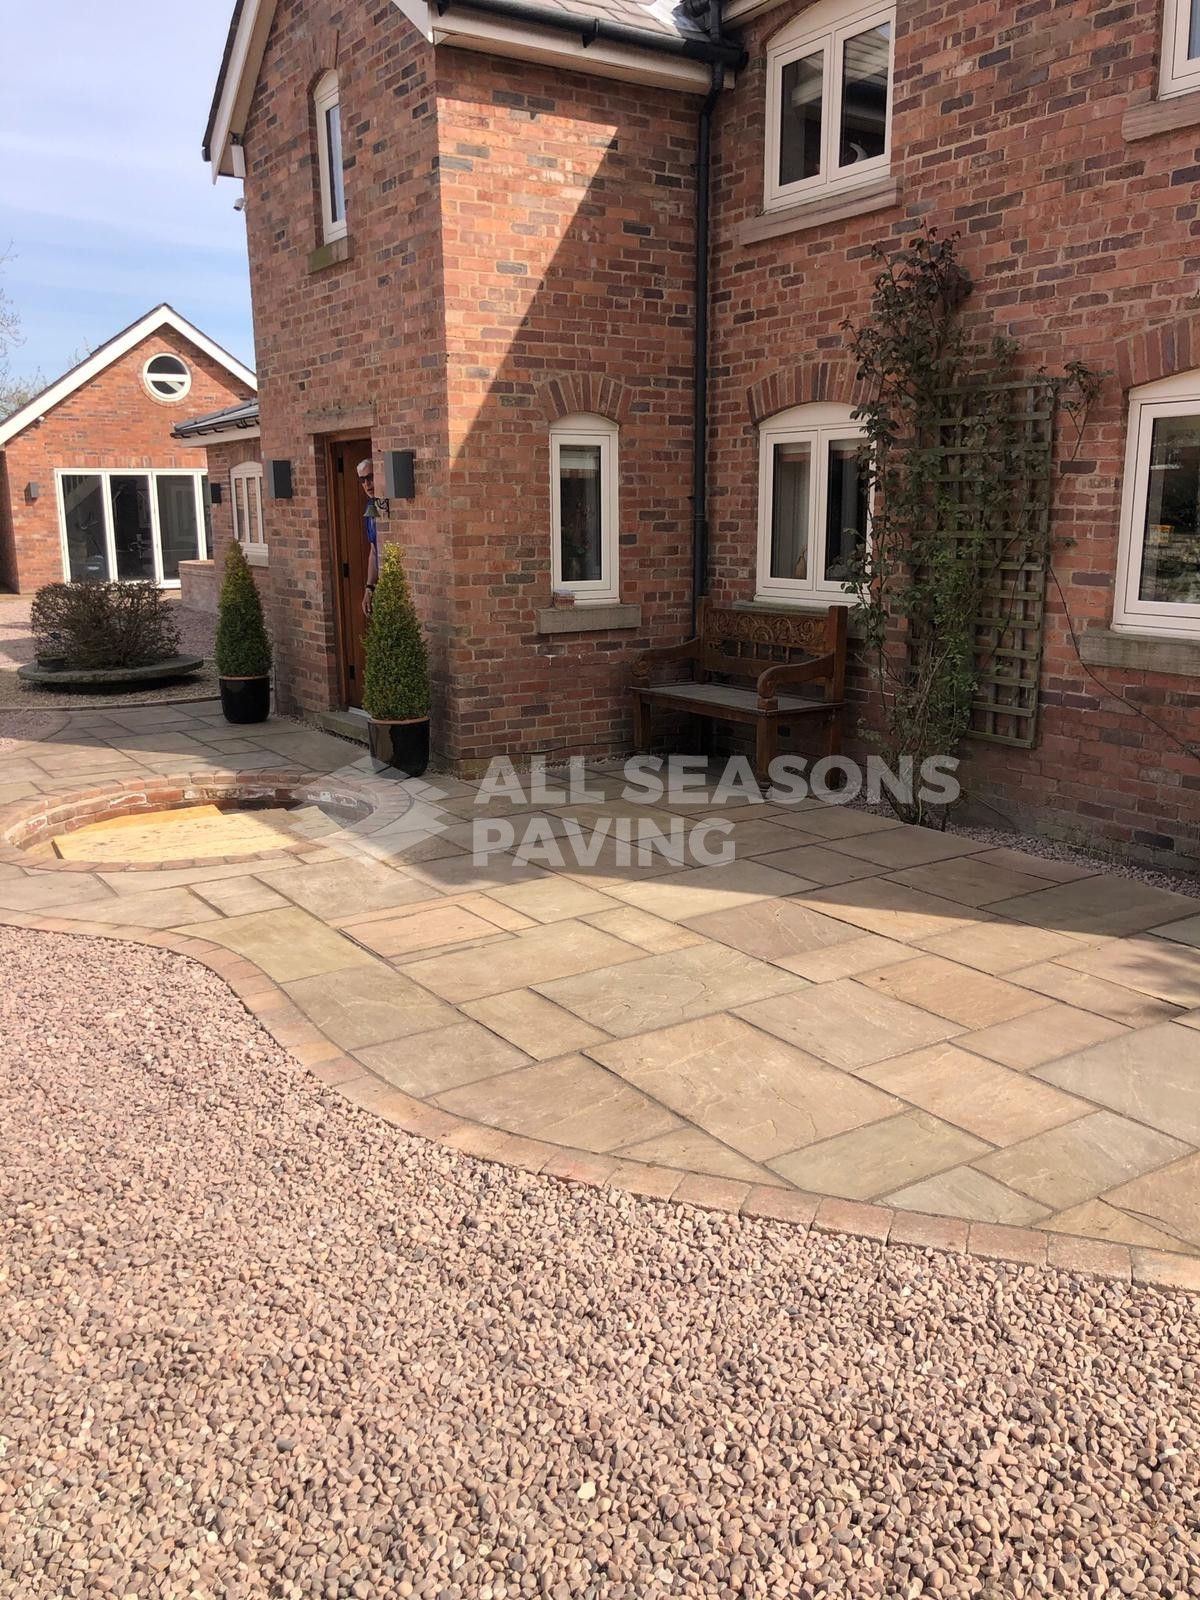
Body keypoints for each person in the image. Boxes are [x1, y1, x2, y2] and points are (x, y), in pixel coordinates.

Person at [356, 458, 380, 616]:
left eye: (370, 477)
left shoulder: (387, 504)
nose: (367, 484)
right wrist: (369, 588)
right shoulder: (370, 507)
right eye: (362, 480)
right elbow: (374, 550)